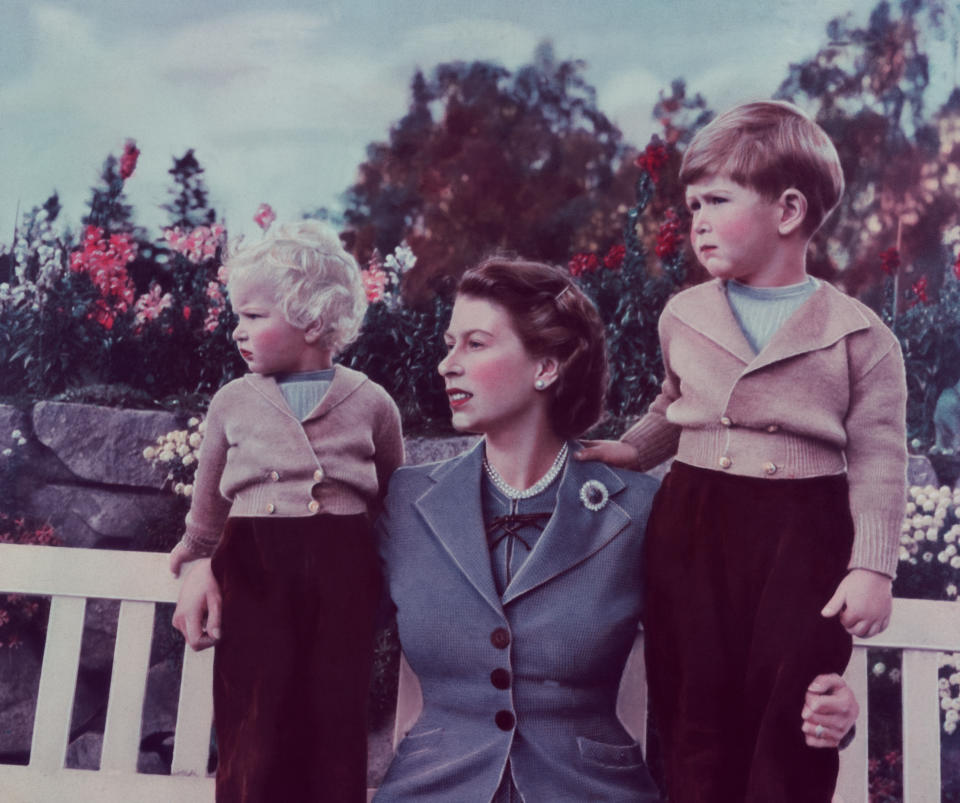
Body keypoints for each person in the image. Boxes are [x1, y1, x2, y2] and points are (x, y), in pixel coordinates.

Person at [173, 255, 861, 801]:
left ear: (546, 365)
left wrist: (829, 702)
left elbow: (732, 650)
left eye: (475, 343)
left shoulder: (640, 509)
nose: (447, 363)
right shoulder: (405, 503)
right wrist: (207, 560)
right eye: (449, 344)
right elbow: (303, 602)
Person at [577, 100, 907, 801]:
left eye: (717, 200)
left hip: (804, 533)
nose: (696, 219)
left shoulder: (860, 334)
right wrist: (635, 450)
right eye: (692, 202)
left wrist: (872, 565)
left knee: (793, 717)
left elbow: (880, 454)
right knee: (694, 711)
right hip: (694, 524)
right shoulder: (684, 315)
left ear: (788, 210)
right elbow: (674, 403)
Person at [168, 220, 404, 802]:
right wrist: (197, 555)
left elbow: (395, 498)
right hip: (253, 568)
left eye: (253, 316)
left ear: (312, 319)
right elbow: (210, 496)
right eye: (238, 316)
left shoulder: (372, 402)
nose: (237, 331)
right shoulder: (232, 402)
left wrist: (398, 568)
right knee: (256, 709)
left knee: (334, 709)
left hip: (344, 570)